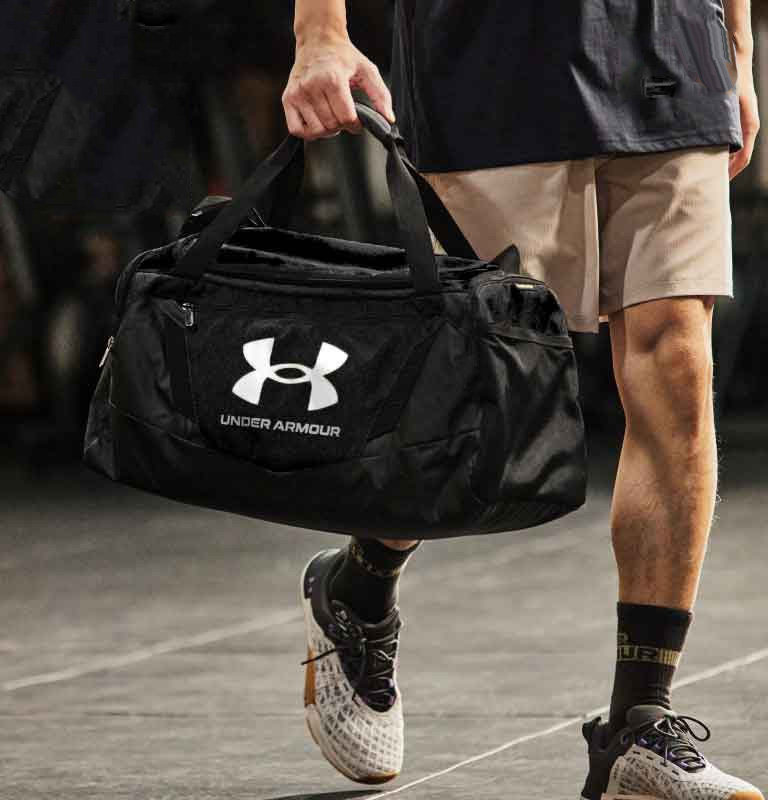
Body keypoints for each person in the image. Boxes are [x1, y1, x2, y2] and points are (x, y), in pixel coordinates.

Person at [282, 1, 763, 798]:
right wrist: (320, 34)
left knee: (677, 361)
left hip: (672, 49)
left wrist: (735, 51)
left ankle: (639, 721)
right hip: (491, 58)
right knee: (475, 392)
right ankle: (359, 584)